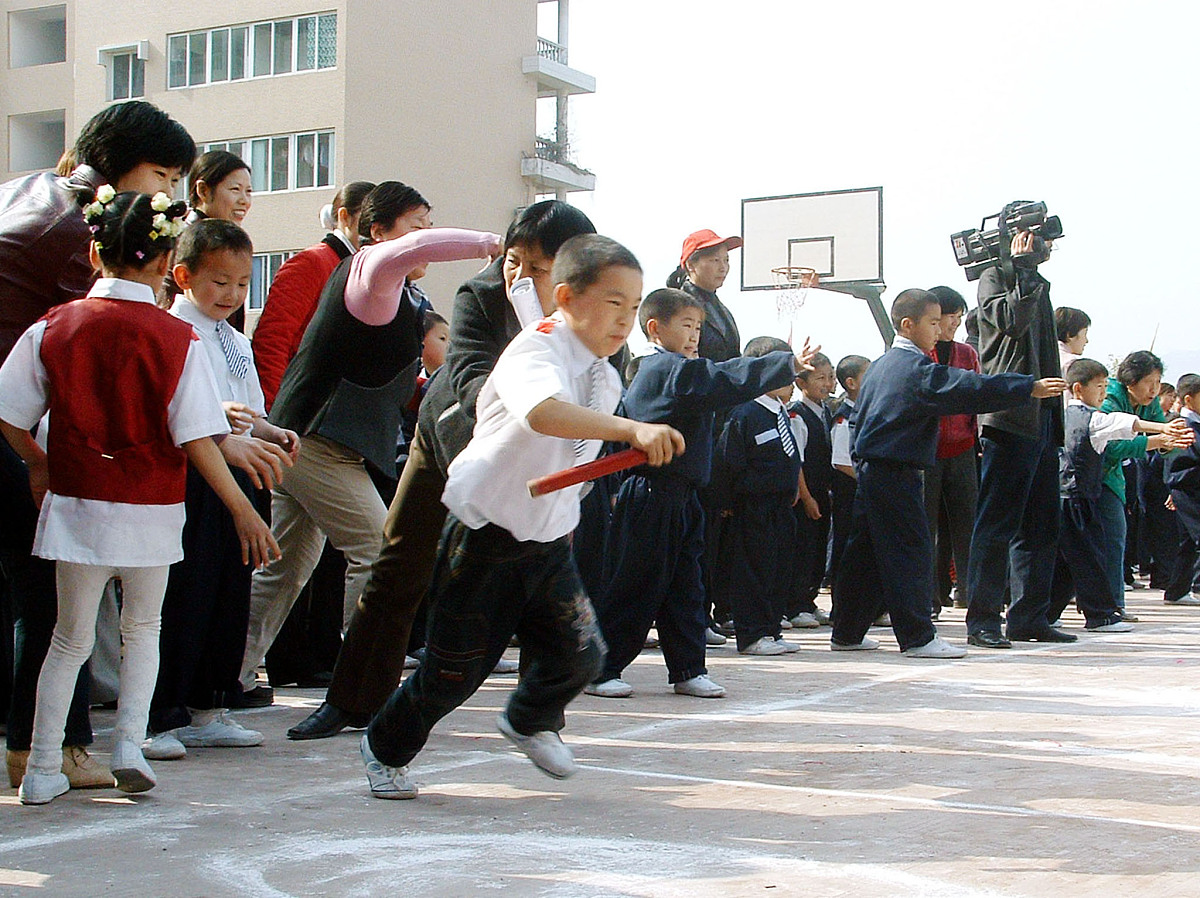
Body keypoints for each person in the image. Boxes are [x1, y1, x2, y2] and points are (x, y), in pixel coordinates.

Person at [360, 235, 684, 799]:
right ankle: (384, 747)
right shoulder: (535, 349)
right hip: (485, 533)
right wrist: (631, 430)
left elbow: (580, 441)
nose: (625, 319)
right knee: (453, 672)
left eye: (633, 307)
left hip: (549, 536)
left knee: (583, 654)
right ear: (566, 296)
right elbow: (543, 414)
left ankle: (530, 718)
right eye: (613, 303)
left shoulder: (605, 374)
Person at [0, 190, 277, 805]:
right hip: (150, 506)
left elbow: (9, 411)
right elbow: (200, 437)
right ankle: (129, 745)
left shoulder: (54, 324)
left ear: (96, 251)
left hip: (76, 503)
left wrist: (39, 465)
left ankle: (43, 768)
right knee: (142, 627)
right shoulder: (177, 338)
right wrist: (240, 509)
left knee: (67, 640)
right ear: (163, 264)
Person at [288, 200, 595, 741]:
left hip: (540, 464)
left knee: (543, 579)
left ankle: (541, 714)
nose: (519, 276)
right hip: (450, 441)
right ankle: (350, 701)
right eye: (513, 261)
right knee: (396, 569)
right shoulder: (481, 295)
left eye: (538, 268)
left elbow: (602, 393)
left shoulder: (595, 316)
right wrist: (522, 406)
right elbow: (473, 372)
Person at [235, 182, 502, 708]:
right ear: (376, 232)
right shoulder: (369, 271)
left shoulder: (405, 297)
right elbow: (413, 252)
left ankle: (227, 674)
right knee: (378, 554)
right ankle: (363, 686)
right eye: (416, 225)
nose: (426, 237)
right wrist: (499, 242)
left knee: (285, 567)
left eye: (431, 223)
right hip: (312, 440)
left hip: (323, 442)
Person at [1, 100, 195, 792]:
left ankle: (46, 755)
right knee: (61, 610)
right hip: (56, 456)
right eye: (162, 175)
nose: (166, 195)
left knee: (54, 617)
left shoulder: (29, 190)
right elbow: (107, 360)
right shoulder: (72, 237)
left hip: (35, 443)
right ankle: (58, 750)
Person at [584, 290, 812, 698]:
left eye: (699, 327)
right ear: (656, 328)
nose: (694, 335)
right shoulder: (664, 369)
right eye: (686, 326)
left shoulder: (683, 370)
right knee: (636, 586)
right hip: (652, 494)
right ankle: (601, 669)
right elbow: (720, 378)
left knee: (688, 586)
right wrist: (783, 365)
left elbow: (713, 379)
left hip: (683, 496)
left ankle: (688, 667)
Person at [831, 289, 1065, 659]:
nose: (940, 329)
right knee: (910, 552)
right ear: (909, 325)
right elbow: (965, 387)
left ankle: (846, 630)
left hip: (874, 470)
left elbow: (860, 421)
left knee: (865, 555)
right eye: (934, 322)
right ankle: (918, 636)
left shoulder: (880, 365)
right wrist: (1025, 387)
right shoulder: (915, 368)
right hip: (896, 471)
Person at [144, 220, 301, 761]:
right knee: (185, 594)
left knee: (228, 594)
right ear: (182, 276)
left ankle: (210, 708)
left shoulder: (234, 338)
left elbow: (248, 409)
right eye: (218, 283)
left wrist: (271, 431)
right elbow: (173, 412)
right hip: (191, 479)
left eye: (241, 284)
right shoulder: (170, 331)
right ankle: (162, 713)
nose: (232, 296)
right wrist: (224, 424)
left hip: (242, 475)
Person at [966, 229, 1071, 648]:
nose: (1044, 244)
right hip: (1009, 417)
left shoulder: (1036, 282)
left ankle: (1029, 617)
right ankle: (984, 619)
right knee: (996, 524)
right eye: (1035, 235)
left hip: (1043, 418)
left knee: (1042, 524)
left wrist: (1031, 274)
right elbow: (1010, 323)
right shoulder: (995, 277)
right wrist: (1021, 269)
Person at [1049, 358, 1189, 633]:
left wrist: (1165, 438)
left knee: (1073, 557)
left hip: (1077, 492)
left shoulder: (1076, 413)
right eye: (1099, 387)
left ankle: (1048, 612)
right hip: (1079, 494)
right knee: (1090, 554)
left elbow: (1132, 426)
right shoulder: (1094, 414)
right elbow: (1123, 425)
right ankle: (1101, 614)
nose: (1103, 392)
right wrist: (1162, 433)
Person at [668, 230, 744, 636]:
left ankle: (707, 610)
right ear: (690, 265)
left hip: (722, 427)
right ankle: (689, 614)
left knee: (713, 526)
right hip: (694, 426)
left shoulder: (722, 310)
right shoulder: (682, 305)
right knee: (693, 528)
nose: (723, 266)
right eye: (713, 259)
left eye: (726, 260)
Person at [713, 337, 806, 655]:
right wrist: (728, 502)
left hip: (782, 504)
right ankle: (751, 634)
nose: (792, 379)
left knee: (778, 568)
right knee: (754, 569)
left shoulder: (780, 412)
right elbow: (730, 459)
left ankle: (771, 629)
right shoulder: (745, 413)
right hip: (754, 504)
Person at [252, 181, 376, 410]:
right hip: (302, 408)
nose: (376, 231)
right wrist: (277, 410)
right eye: (369, 220)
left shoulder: (362, 268)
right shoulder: (312, 262)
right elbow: (273, 340)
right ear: (345, 217)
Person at [1097, 350, 1177, 617]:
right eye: (1149, 383)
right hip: (1089, 477)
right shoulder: (1110, 399)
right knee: (1110, 540)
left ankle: (1111, 605)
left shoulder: (1146, 403)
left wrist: (1172, 440)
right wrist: (1157, 441)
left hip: (1112, 478)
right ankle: (1108, 606)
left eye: (1158, 383)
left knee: (1112, 540)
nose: (1154, 390)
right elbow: (1112, 448)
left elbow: (1160, 429)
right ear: (1131, 381)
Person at [924, 286, 981, 617]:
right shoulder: (919, 352)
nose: (954, 323)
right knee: (926, 525)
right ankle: (929, 598)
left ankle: (970, 593)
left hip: (962, 447)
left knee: (967, 525)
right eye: (949, 316)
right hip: (927, 451)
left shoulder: (966, 353)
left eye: (960, 317)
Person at [786, 352, 835, 628]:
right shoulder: (797, 414)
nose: (827, 384)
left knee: (817, 549)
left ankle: (810, 599)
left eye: (830, 377)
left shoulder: (827, 411)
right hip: (808, 494)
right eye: (820, 378)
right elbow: (797, 461)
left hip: (824, 491)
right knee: (803, 549)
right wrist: (806, 497)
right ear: (801, 383)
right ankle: (795, 604)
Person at [827, 355, 870, 589]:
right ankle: (841, 604)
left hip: (860, 495)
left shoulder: (865, 412)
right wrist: (869, 480)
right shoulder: (844, 418)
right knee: (845, 548)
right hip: (848, 496)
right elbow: (842, 462)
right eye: (868, 376)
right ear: (851, 383)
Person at [1164, 374, 1200, 606]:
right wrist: (1173, 489)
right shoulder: (1184, 426)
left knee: (1188, 542)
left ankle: (1177, 591)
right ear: (1188, 399)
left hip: (1190, 488)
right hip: (1188, 489)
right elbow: (1177, 462)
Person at [1055, 306, 1091, 375]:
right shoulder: (1070, 364)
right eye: (1085, 334)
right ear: (1070, 334)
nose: (1086, 341)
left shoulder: (1040, 355)